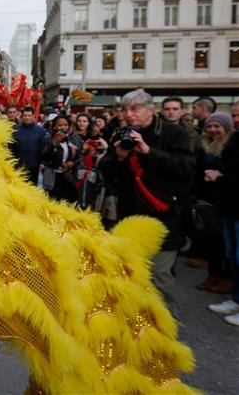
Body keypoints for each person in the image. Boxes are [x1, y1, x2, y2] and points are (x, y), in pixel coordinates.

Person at [98, 89, 195, 308]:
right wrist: (120, 158)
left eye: (136, 108)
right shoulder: (120, 134)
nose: (129, 114)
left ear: (150, 109)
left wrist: (149, 151)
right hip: (130, 216)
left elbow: (187, 168)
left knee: (159, 275)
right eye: (125, 109)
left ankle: (164, 324)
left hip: (165, 215)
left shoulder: (174, 133)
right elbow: (107, 173)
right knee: (131, 270)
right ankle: (137, 322)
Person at [193, 113, 234, 295]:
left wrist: (219, 178)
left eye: (217, 126)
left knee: (226, 245)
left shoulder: (232, 146)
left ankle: (227, 278)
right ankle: (213, 274)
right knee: (211, 241)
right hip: (206, 199)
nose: (212, 130)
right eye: (210, 126)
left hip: (226, 200)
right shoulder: (204, 145)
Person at [204, 115, 239, 326]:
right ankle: (236, 299)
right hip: (229, 207)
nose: (237, 119)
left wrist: (220, 177)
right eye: (235, 115)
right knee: (232, 255)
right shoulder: (234, 141)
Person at [40, 115, 79, 203]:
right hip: (53, 176)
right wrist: (54, 143)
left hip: (67, 176)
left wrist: (72, 163)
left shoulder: (71, 140)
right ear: (54, 126)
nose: (63, 127)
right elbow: (44, 157)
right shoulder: (48, 139)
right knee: (53, 201)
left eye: (65, 125)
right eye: (60, 125)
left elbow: (79, 157)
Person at [11, 106, 47, 184]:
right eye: (25, 115)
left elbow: (43, 148)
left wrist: (42, 162)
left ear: (33, 116)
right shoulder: (15, 130)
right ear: (22, 116)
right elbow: (12, 148)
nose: (27, 117)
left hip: (34, 165)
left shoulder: (40, 131)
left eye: (29, 115)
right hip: (18, 165)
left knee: (32, 187)